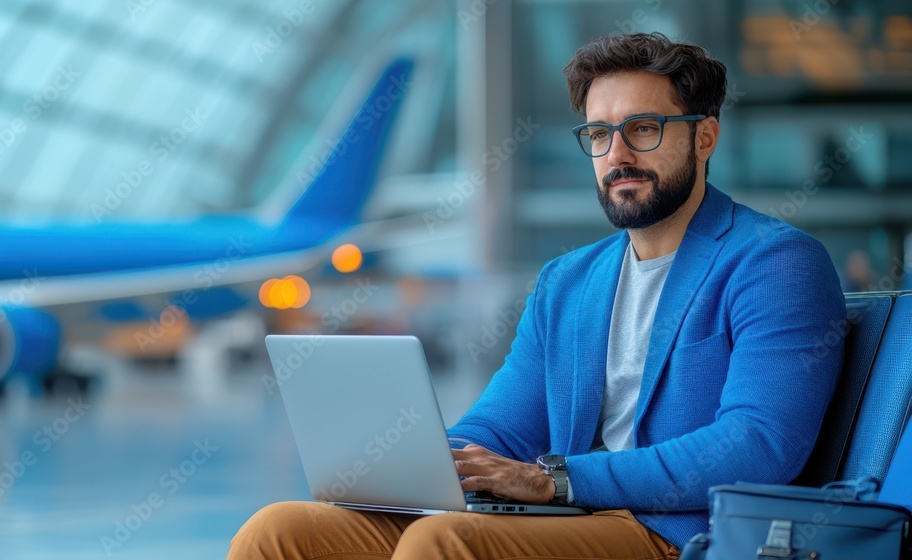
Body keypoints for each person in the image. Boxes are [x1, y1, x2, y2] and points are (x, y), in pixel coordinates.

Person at [226, 32, 845, 559]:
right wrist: (417, 465)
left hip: (674, 530)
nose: (617, 155)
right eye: (599, 134)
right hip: (567, 515)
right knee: (278, 531)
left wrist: (556, 480)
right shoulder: (568, 282)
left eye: (643, 129)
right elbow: (502, 425)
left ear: (704, 138)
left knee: (441, 545)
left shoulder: (775, 262)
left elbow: (760, 444)